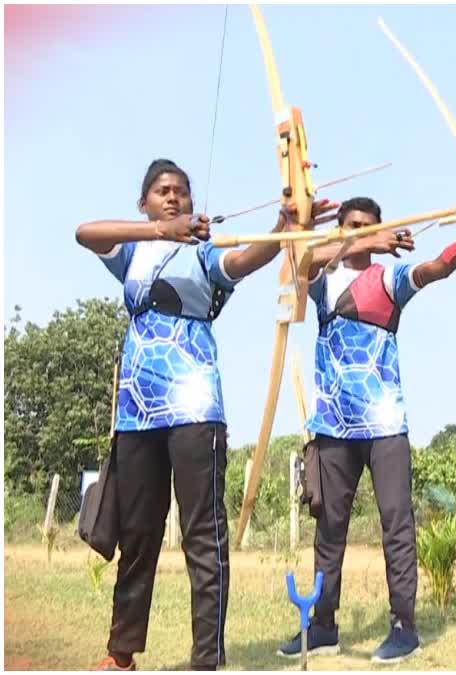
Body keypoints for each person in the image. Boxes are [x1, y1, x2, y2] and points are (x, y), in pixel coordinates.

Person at [75, 159, 335, 671]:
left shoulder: (203, 253)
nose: (174, 198)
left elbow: (244, 261)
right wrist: (158, 231)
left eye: (182, 193)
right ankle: (120, 652)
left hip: (195, 405)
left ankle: (206, 660)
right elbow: (84, 232)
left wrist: (286, 227)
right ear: (144, 202)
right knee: (138, 531)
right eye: (162, 191)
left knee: (202, 533)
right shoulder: (131, 252)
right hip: (137, 411)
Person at [274, 197, 456, 663]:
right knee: (329, 529)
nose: (362, 232)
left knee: (396, 525)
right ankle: (324, 626)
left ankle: (403, 627)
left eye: (370, 226)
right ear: (339, 227)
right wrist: (336, 230)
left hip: (386, 424)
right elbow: (299, 259)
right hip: (333, 425)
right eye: (352, 225)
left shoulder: (389, 278)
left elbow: (440, 266)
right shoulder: (324, 279)